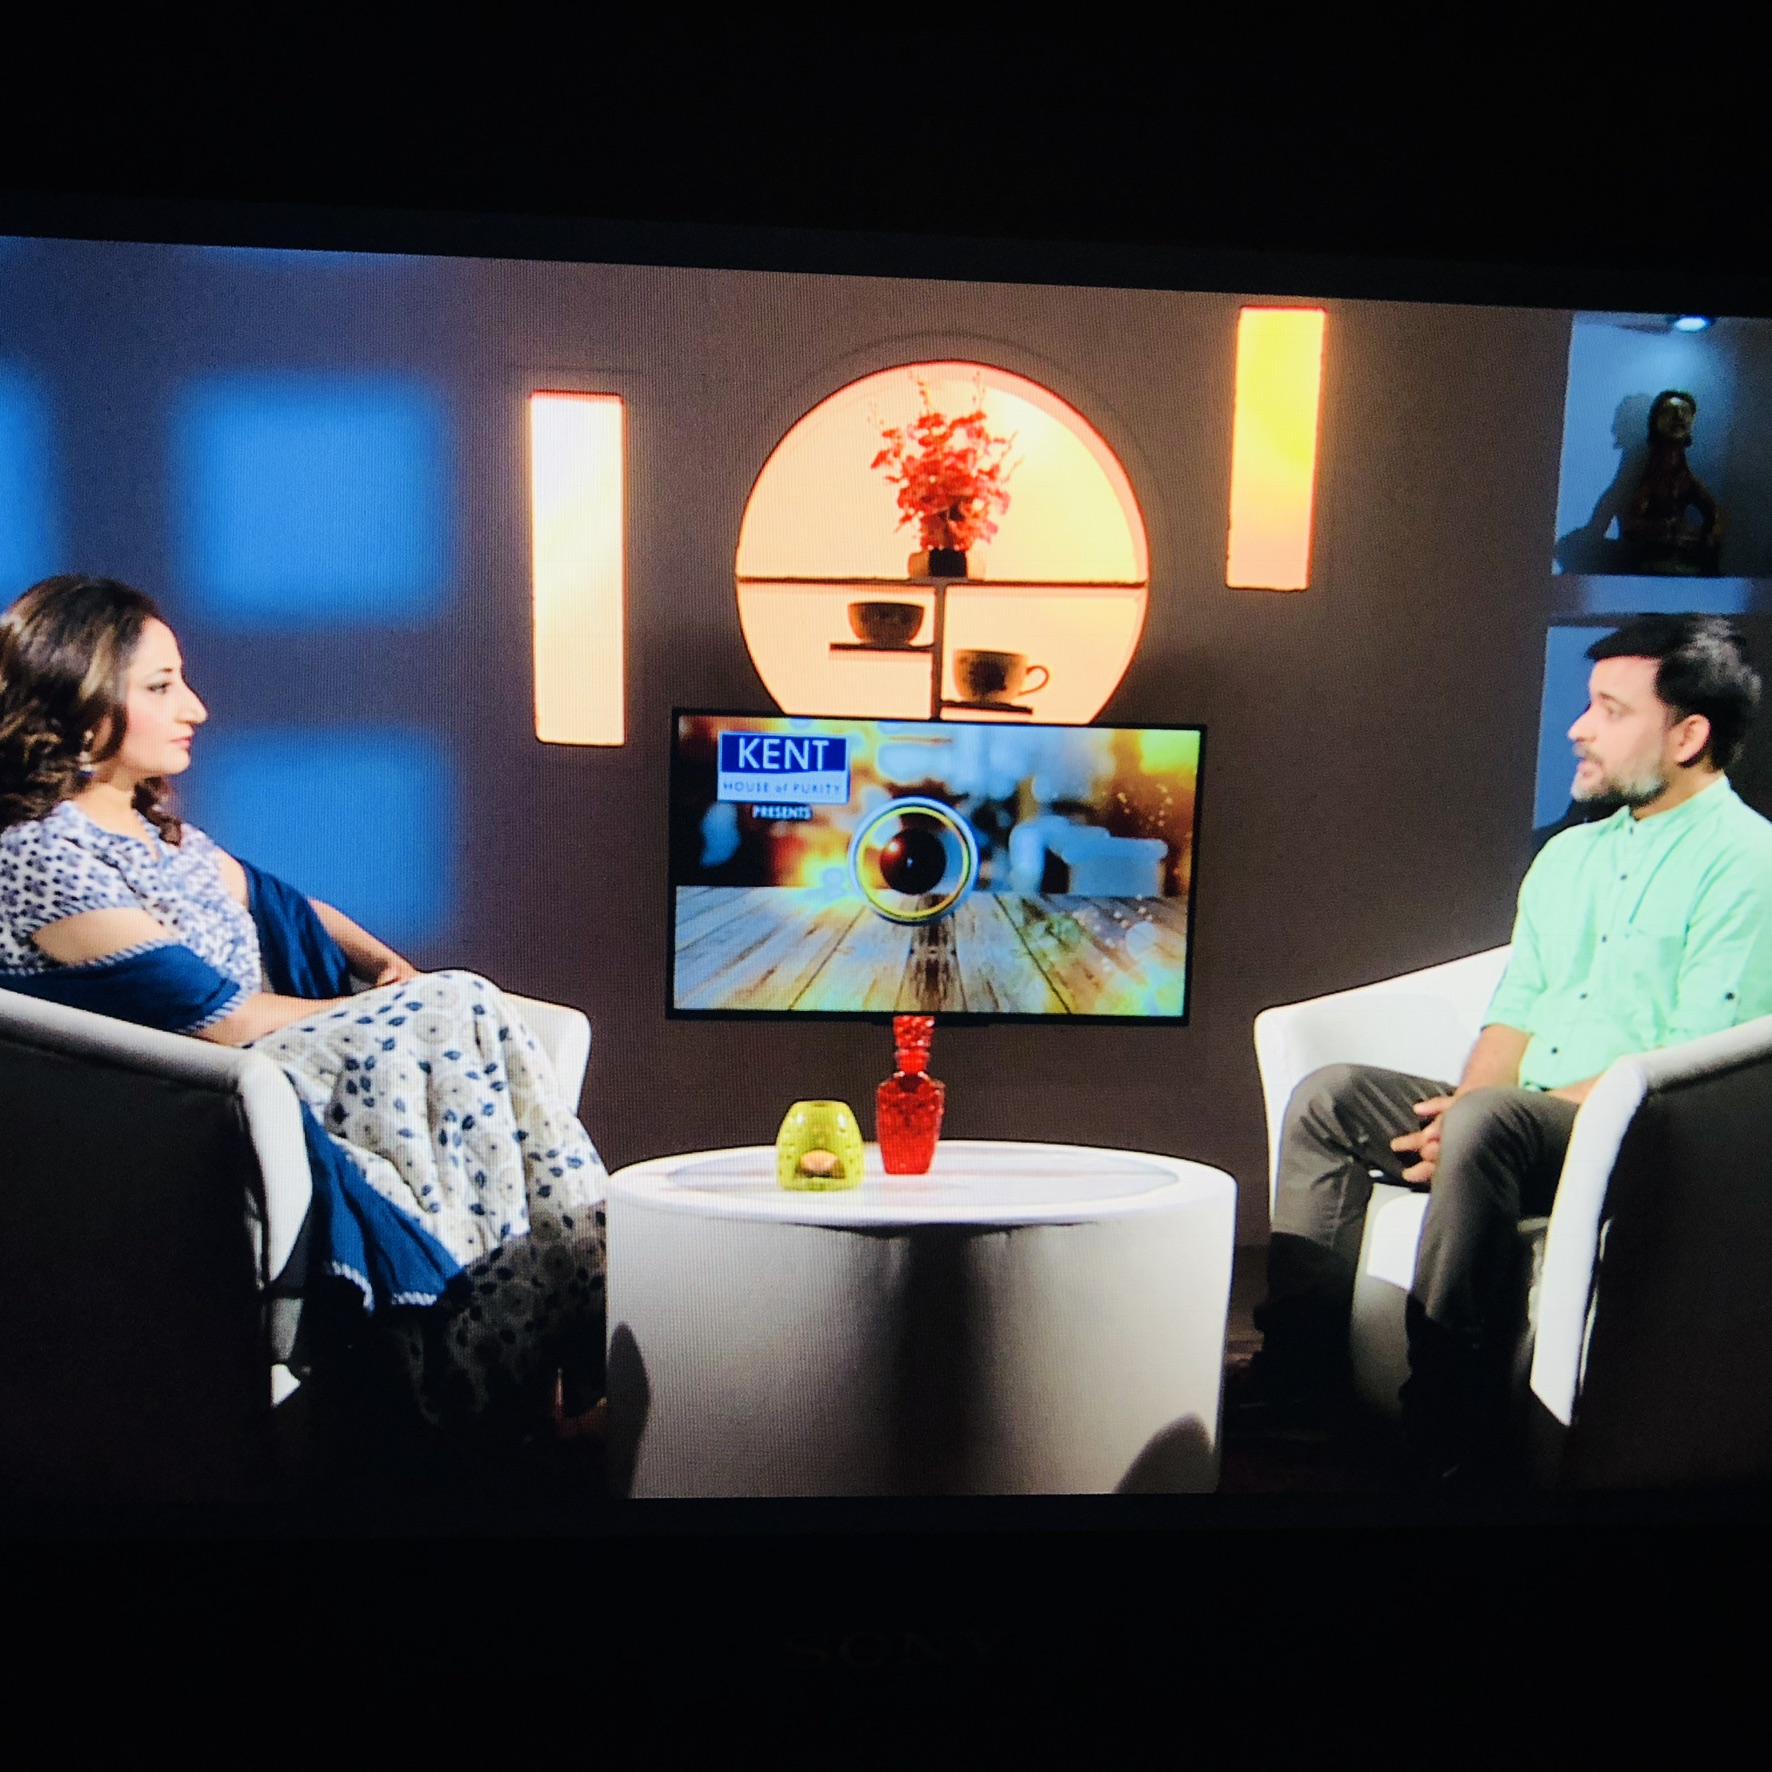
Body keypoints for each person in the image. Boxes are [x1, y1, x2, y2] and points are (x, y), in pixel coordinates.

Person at [0, 575, 608, 1436]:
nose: (196, 708)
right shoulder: (38, 854)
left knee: (459, 1009)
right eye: (162, 686)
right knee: (455, 1005)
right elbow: (221, 1021)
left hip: (265, 1078)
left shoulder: (158, 835)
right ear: (80, 699)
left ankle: (546, 1326)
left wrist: (382, 965)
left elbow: (284, 907)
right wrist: (415, 1006)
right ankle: (505, 1355)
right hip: (189, 1107)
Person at [1236, 612, 1772, 1482]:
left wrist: (1490, 1119)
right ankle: (1301, 1380)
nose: (1578, 728)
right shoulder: (1570, 858)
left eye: (1609, 710)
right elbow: (1514, 1013)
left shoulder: (1748, 862)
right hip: (1528, 1121)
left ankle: (1449, 1420)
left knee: (1491, 1123)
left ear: (1688, 736)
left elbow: (1696, 1060)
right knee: (1334, 1098)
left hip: (1649, 1138)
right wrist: (1462, 1108)